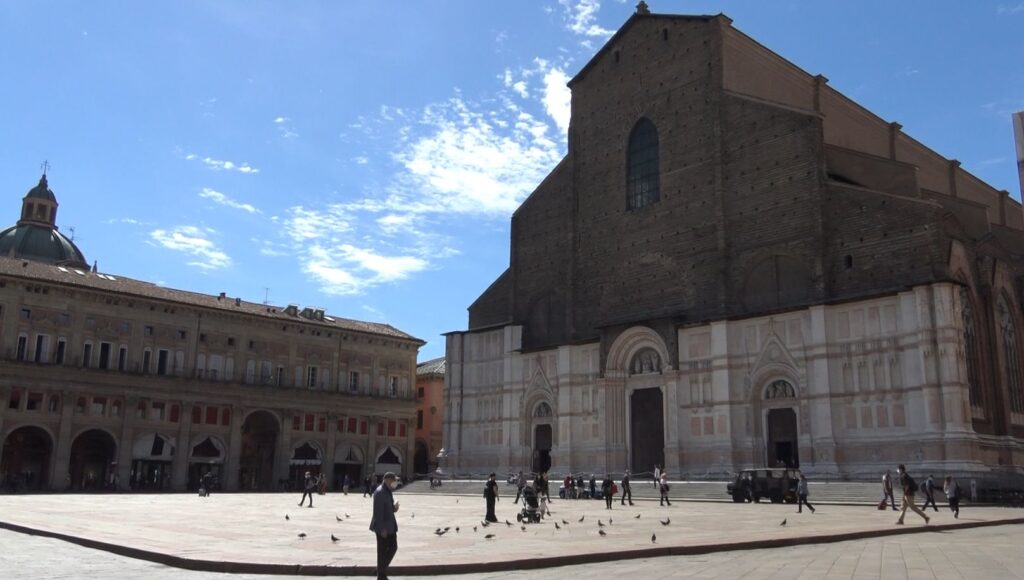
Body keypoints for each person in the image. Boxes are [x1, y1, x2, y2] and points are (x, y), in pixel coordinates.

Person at [369, 472, 400, 580]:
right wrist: (382, 529)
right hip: (383, 528)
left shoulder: (387, 491)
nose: (395, 483)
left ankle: (380, 571)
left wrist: (394, 508)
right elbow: (378, 512)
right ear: (387, 480)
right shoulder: (380, 492)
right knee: (382, 551)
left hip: (390, 526)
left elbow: (388, 508)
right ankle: (381, 574)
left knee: (392, 548)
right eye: (393, 480)